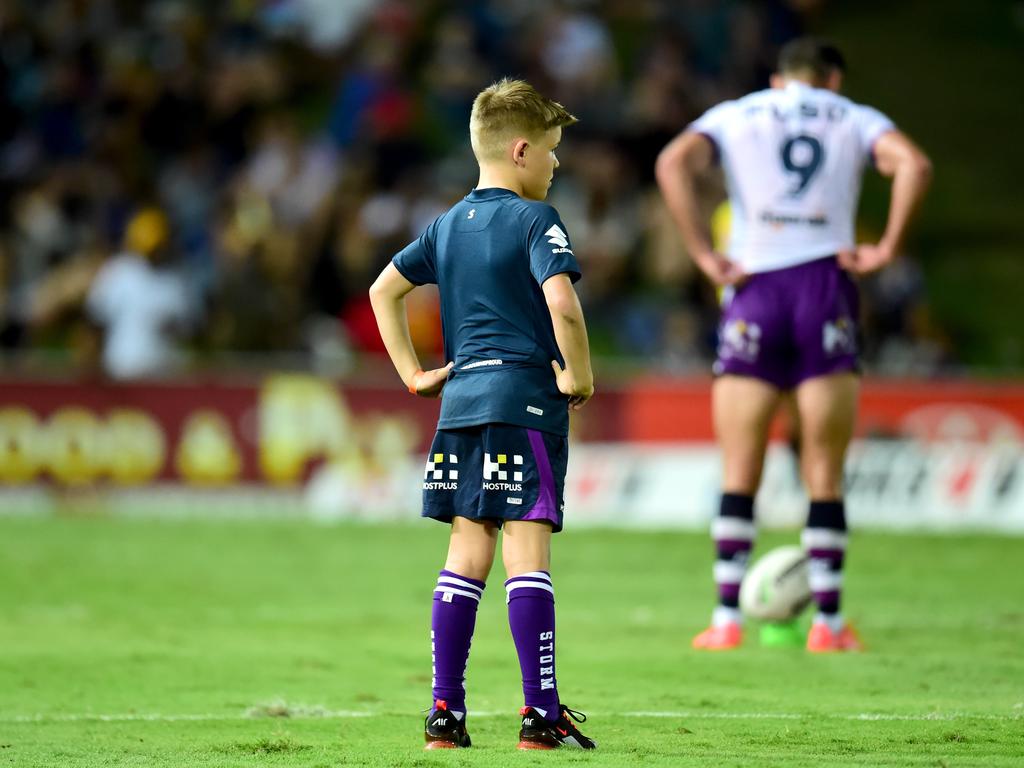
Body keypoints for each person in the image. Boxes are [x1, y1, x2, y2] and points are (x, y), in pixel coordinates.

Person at [655, 38, 932, 652]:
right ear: (832, 80)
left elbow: (673, 163)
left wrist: (704, 253)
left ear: (780, 80)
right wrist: (886, 247)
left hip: (755, 286)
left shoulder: (738, 113)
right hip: (825, 289)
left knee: (739, 469)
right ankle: (829, 625)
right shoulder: (854, 117)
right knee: (824, 472)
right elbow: (914, 165)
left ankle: (726, 620)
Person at [368, 78, 597, 749]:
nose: (557, 164)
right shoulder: (535, 221)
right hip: (525, 402)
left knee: (467, 552)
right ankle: (539, 713)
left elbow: (385, 291)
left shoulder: (446, 225)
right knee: (527, 551)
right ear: (521, 150)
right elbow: (562, 304)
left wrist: (414, 374)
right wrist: (579, 374)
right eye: (552, 151)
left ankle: (445, 713)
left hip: (461, 406)